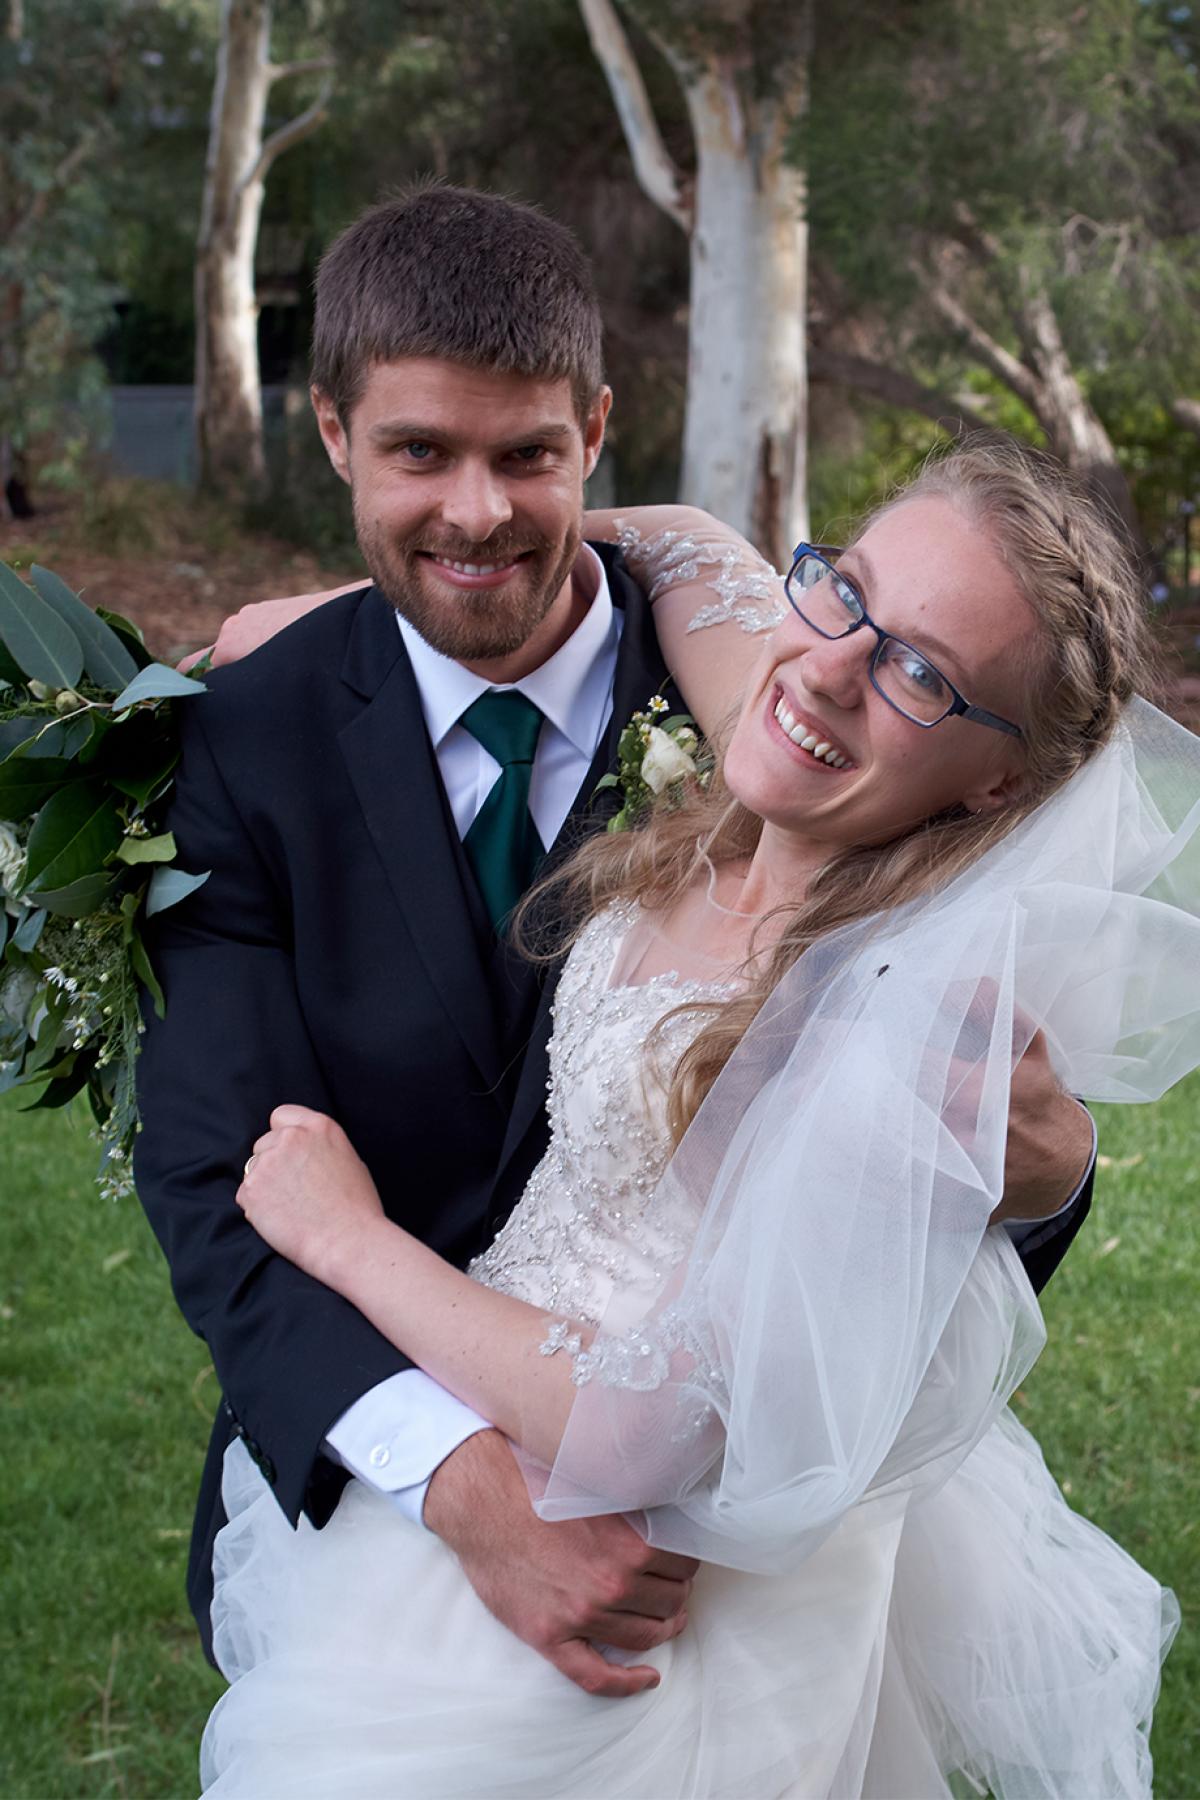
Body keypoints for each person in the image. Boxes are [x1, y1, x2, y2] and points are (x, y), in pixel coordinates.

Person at [133, 184, 1093, 1704]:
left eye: (526, 455)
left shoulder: (767, 700)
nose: (475, 513)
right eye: (415, 455)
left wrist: (1045, 1176)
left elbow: (938, 1096)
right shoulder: (245, 740)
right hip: (373, 1501)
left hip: (723, 1560)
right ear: (331, 436)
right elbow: (216, 1168)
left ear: (593, 426)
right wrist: (463, 1491)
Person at [197, 443, 1200, 1796]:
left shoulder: (887, 1011)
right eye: (846, 588)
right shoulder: (776, 724)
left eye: (921, 673)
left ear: (996, 785)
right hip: (464, 1442)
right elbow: (672, 534)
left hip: (626, 1583)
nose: (834, 668)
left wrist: (349, 1239)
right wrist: (340, 618)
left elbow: (664, 1426)